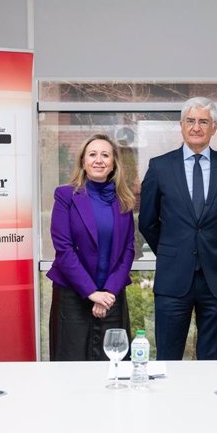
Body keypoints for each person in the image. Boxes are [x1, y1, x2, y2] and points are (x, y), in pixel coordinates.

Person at [139, 97, 217, 360]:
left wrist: (215, 248)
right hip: (173, 277)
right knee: (168, 357)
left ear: (215, 127)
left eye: (203, 121)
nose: (196, 127)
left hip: (216, 279)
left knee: (211, 359)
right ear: (181, 125)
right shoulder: (159, 167)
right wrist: (173, 250)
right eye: (191, 121)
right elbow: (147, 222)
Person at [47, 134, 136, 361]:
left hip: (111, 297)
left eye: (105, 155)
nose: (99, 160)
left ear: (114, 163)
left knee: (114, 364)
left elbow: (128, 251)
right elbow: (64, 250)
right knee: (72, 365)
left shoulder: (124, 200)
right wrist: (91, 292)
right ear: (83, 161)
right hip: (73, 296)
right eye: (93, 154)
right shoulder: (65, 195)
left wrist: (107, 292)